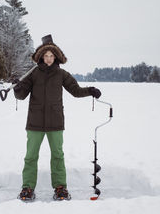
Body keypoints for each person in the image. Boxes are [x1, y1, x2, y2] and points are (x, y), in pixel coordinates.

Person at [13, 34, 101, 201]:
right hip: (35, 122)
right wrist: (17, 87)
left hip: (55, 122)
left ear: (56, 57)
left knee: (58, 156)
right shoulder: (33, 74)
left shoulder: (61, 74)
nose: (48, 59)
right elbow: (21, 95)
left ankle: (60, 187)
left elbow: (76, 91)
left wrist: (90, 90)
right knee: (30, 156)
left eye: (51, 56)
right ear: (41, 57)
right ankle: (27, 188)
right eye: (45, 56)